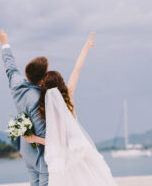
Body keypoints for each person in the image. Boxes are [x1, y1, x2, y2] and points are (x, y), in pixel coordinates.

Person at [23, 33, 119, 185]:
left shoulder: (48, 110)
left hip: (65, 160)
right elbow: (77, 69)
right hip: (81, 152)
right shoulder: (69, 96)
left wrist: (34, 139)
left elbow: (57, 142)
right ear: (61, 83)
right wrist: (86, 47)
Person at [0, 25, 48, 186]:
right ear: (42, 78)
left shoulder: (16, 83)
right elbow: (45, 136)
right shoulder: (38, 100)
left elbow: (9, 66)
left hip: (26, 152)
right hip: (40, 155)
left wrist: (4, 43)